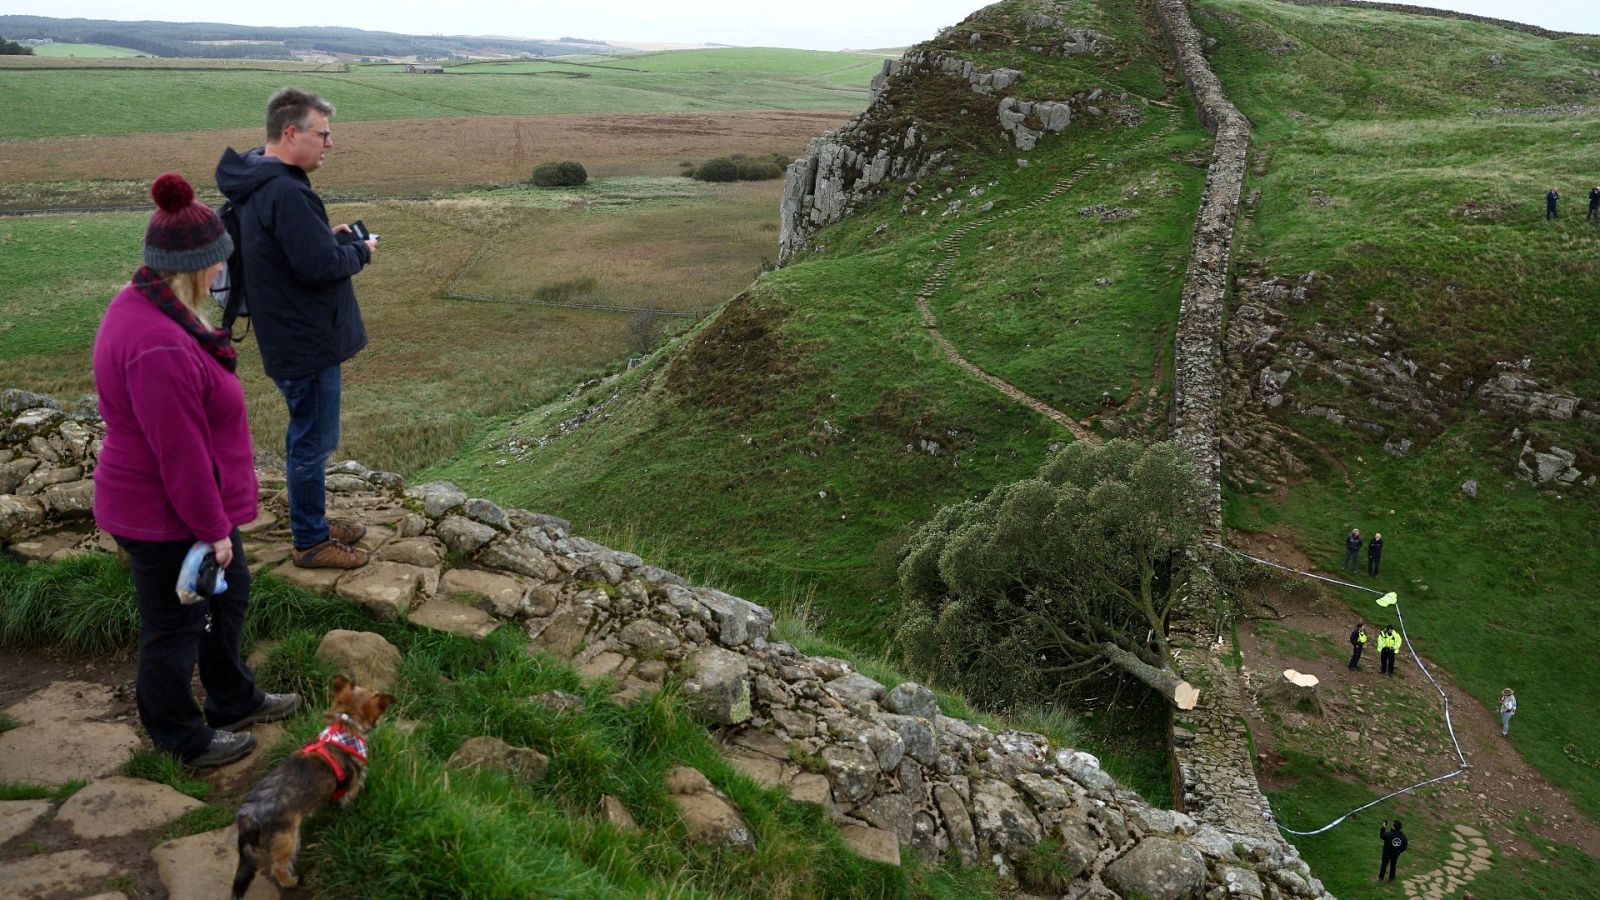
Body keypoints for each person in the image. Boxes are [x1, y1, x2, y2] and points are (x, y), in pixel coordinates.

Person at [93, 172, 302, 767]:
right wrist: (213, 530)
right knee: (175, 627)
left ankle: (233, 699)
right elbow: (178, 455)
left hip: (184, 505)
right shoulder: (159, 343)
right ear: (193, 267)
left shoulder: (148, 306)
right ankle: (179, 740)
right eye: (216, 265)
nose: (221, 275)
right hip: (167, 513)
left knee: (227, 598)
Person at [216, 86, 376, 570]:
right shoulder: (286, 190)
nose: (329, 144)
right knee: (313, 441)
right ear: (291, 133)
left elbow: (283, 251)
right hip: (306, 338)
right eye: (323, 134)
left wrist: (322, 237)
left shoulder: (256, 179)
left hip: (282, 330)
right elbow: (317, 267)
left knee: (304, 433)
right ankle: (310, 540)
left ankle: (314, 519)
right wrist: (358, 252)